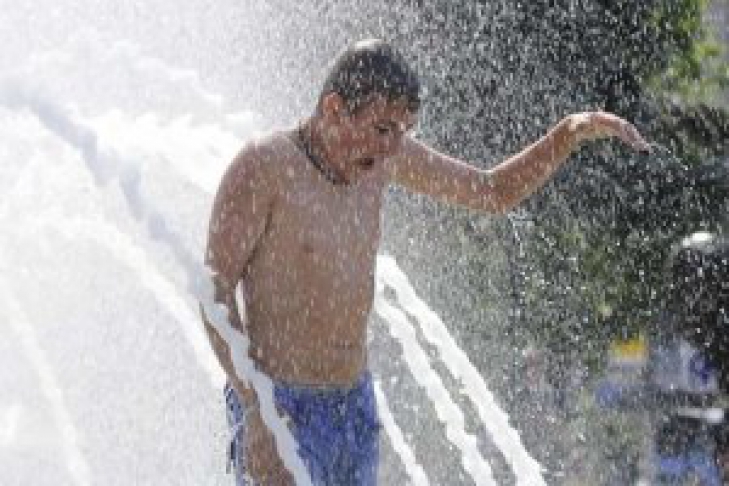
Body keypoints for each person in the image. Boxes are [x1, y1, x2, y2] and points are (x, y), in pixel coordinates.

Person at [200, 38, 650, 485]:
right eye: (383, 129)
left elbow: (491, 192)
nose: (393, 147)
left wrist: (567, 135)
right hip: (278, 403)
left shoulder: (381, 158)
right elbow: (214, 289)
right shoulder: (265, 168)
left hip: (353, 404)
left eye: (404, 131)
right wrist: (255, 403)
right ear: (334, 109)